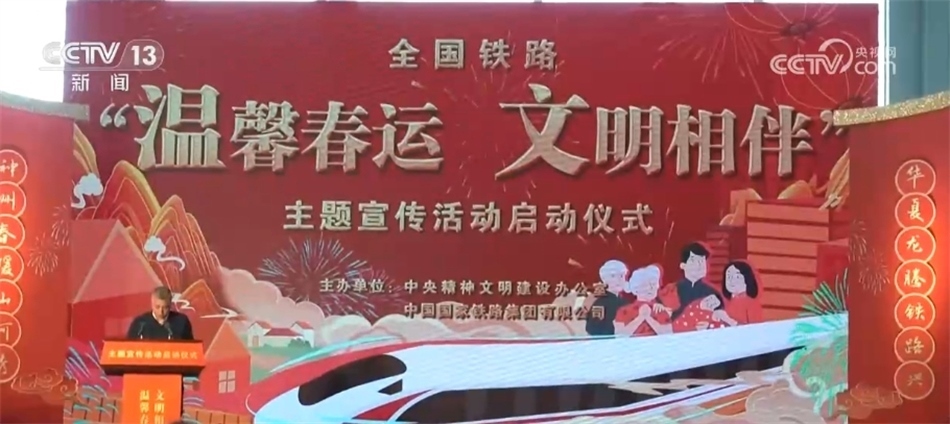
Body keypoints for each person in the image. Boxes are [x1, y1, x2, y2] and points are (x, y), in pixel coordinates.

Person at [662, 242, 721, 321]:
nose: (699, 265)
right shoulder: (670, 290)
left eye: (702, 261)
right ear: (683, 265)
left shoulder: (712, 293)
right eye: (694, 261)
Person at [614, 265, 672, 336]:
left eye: (653, 284)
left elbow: (668, 336)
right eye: (645, 285)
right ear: (636, 288)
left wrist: (649, 318)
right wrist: (640, 318)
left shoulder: (661, 310)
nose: (650, 288)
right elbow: (619, 336)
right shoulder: (623, 311)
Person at [127, 287, 194, 340]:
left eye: (165, 307)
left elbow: (190, 348)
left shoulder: (181, 322)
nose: (161, 311)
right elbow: (129, 347)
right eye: (157, 307)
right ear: (152, 304)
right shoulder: (140, 324)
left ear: (170, 305)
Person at [585, 259, 630, 336]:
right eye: (613, 276)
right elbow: (592, 329)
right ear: (604, 279)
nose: (619, 280)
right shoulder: (600, 303)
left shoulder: (625, 302)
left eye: (621, 276)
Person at [720, 260, 764, 326]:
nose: (732, 280)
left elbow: (754, 329)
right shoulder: (726, 303)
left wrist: (728, 320)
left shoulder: (751, 304)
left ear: (747, 279)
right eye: (729, 277)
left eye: (737, 277)